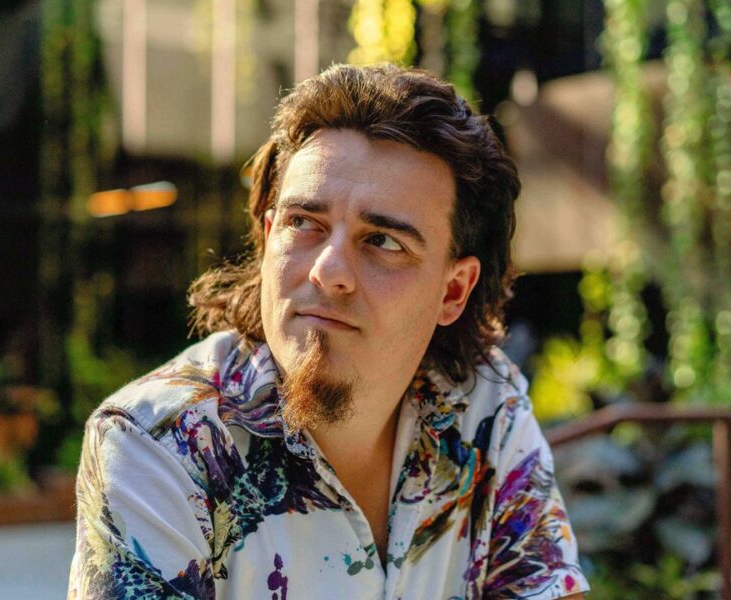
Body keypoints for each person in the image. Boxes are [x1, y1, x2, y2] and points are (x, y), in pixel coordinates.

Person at [67, 63, 589, 600]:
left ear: (453, 291)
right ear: (269, 237)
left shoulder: (484, 408)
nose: (328, 270)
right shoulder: (161, 445)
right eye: (303, 223)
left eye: (383, 241)